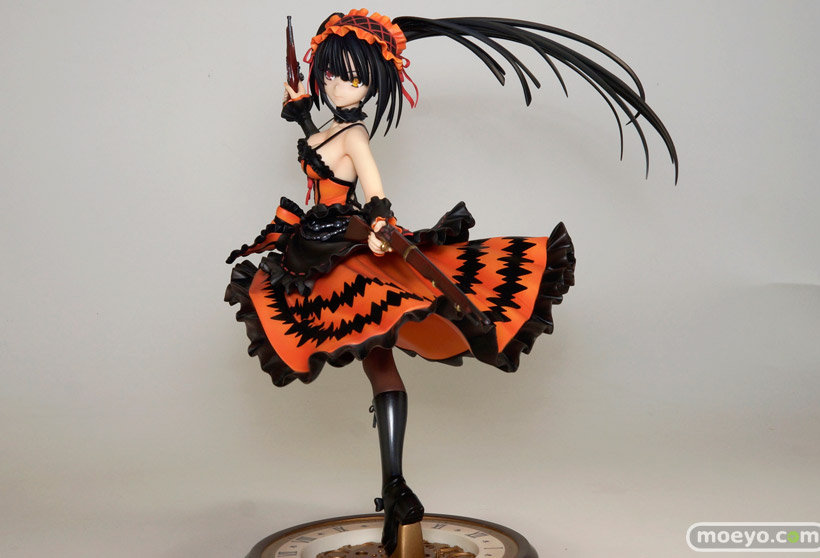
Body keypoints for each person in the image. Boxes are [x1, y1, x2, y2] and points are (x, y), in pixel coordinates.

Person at [225, 9, 677, 556]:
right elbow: (320, 155)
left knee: (376, 348)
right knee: (374, 357)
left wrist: (381, 225)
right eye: (333, 73)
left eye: (354, 77)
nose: (339, 85)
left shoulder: (356, 135)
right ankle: (396, 493)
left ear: (374, 85)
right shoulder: (328, 127)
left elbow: (373, 192)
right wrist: (301, 112)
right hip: (312, 248)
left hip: (344, 247)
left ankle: (396, 487)